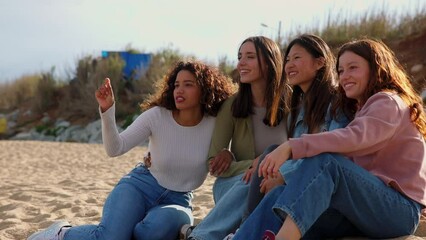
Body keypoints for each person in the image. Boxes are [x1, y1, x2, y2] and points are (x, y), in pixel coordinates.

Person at [233, 38, 426, 239]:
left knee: (325, 161)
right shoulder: (362, 109)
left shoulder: (388, 102)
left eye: (353, 68)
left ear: (376, 68)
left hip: (397, 211)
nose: (345, 76)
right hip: (361, 210)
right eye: (341, 71)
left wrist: (292, 146)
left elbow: (352, 139)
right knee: (278, 196)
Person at [27, 60, 236, 240]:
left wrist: (228, 154)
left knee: (150, 233)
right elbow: (115, 148)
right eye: (176, 85)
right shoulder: (157, 116)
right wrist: (107, 110)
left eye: (188, 85)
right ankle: (62, 233)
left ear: (205, 90)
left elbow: (225, 158)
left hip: (179, 200)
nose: (179, 90)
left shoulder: (215, 125)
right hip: (139, 186)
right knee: (111, 237)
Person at [186, 36, 290, 240]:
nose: (241, 63)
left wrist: (266, 167)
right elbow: (212, 163)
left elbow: (301, 150)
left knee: (264, 182)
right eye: (240, 56)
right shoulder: (232, 106)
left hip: (277, 181)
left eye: (250, 57)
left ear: (269, 63)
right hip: (235, 184)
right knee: (253, 180)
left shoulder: (293, 104)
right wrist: (252, 165)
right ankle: (201, 236)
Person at [244, 34, 351, 220]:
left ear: (319, 63)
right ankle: (246, 228)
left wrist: (283, 177)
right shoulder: (298, 109)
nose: (289, 65)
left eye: (297, 58)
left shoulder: (337, 102)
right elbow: (295, 156)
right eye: (287, 60)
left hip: (327, 187)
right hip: (299, 181)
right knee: (270, 153)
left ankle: (245, 230)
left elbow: (333, 154)